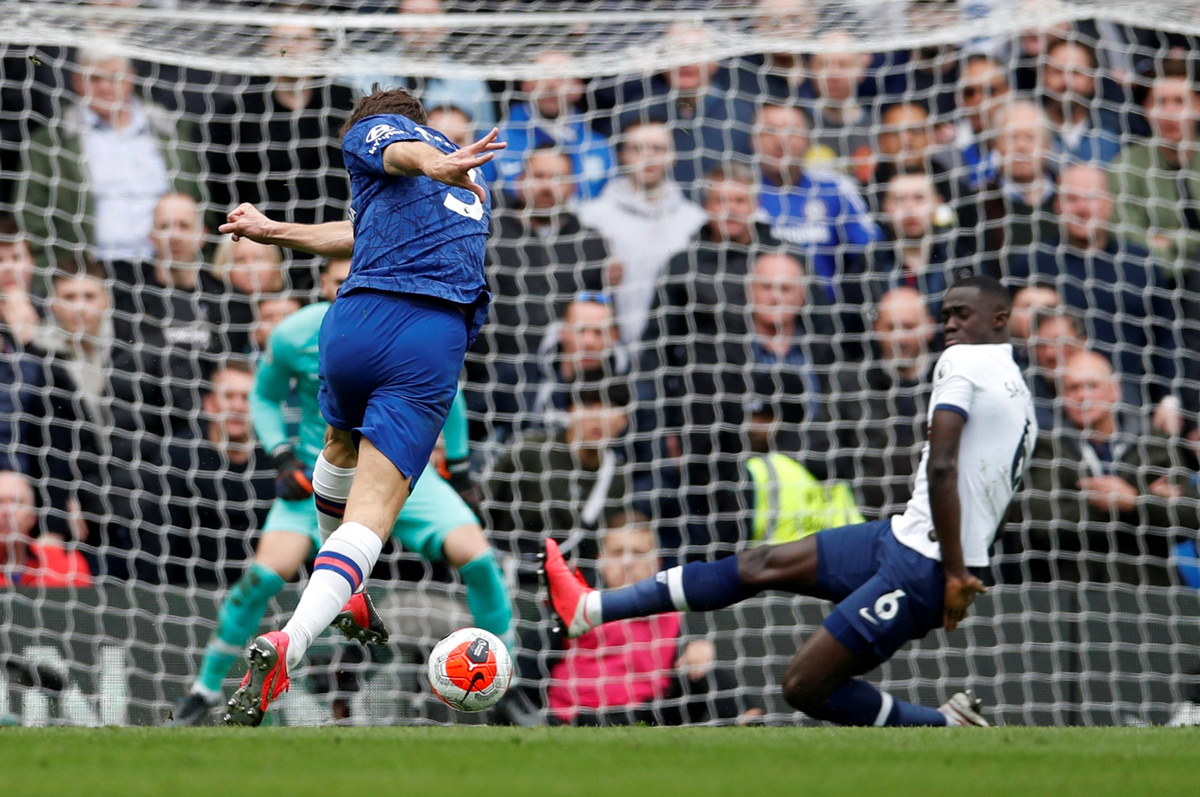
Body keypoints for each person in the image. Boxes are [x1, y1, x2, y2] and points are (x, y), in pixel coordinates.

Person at [544, 275, 1036, 727]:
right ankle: (592, 607)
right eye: (945, 314)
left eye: (962, 315)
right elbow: (991, 494)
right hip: (903, 536)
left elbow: (943, 465)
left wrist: (955, 573)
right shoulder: (1021, 398)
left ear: (999, 320)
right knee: (759, 564)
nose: (950, 325)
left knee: (804, 685)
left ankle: (944, 726)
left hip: (924, 564)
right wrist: (967, 564)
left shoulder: (963, 361)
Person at [215, 86, 505, 726]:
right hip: (425, 334)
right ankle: (291, 643)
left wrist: (270, 230)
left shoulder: (382, 137)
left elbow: (382, 180)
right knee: (373, 511)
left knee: (338, 446)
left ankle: (348, 593)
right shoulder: (461, 176)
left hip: (352, 324)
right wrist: (437, 161)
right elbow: (397, 167)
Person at [172, 259, 512, 726]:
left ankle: (509, 687)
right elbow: (264, 396)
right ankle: (203, 690)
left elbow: (446, 392)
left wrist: (459, 468)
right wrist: (282, 457)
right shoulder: (294, 334)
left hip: (404, 471)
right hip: (323, 473)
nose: (352, 287)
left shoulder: (409, 324)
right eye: (340, 281)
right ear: (323, 285)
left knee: (479, 559)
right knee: (263, 577)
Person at [538, 512, 760, 726]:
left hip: (650, 713)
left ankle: (751, 719)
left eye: (638, 553)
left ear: (657, 562)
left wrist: (700, 651)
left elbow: (691, 659)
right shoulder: (576, 605)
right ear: (601, 559)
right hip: (580, 714)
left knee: (705, 668)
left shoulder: (672, 612)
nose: (627, 562)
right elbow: (534, 664)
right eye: (617, 553)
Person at [1016, 350, 1200, 585]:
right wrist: (1134, 501)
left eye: (1092, 385)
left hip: (1148, 589)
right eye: (1073, 388)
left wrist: (1133, 501)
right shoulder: (1047, 448)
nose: (1082, 395)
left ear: (1115, 390)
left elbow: (1189, 518)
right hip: (1070, 591)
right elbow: (1044, 525)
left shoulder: (1156, 444)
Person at [20, 44, 200, 269]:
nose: (104, 87)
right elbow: (31, 215)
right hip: (90, 271)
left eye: (114, 78)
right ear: (77, 82)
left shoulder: (171, 132)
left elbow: (198, 200)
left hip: (166, 266)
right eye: (94, 78)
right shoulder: (51, 142)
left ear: (131, 78)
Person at [577, 119, 707, 349]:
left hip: (675, 351)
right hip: (610, 350)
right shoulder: (592, 217)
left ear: (673, 156)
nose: (648, 157)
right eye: (638, 148)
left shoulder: (695, 221)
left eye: (658, 148)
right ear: (623, 155)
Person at [832, 287, 937, 520]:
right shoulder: (849, 383)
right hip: (867, 519)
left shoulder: (950, 382)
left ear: (929, 327)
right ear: (876, 328)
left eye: (909, 327)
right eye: (891, 328)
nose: (900, 338)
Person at [0, 470, 92, 588]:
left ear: (33, 516)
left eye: (17, 503)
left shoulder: (67, 566)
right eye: (0, 502)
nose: (7, 512)